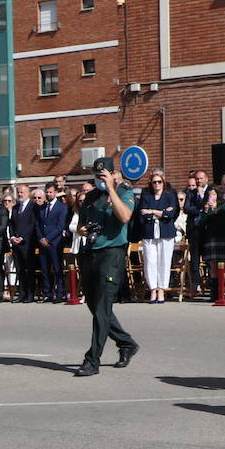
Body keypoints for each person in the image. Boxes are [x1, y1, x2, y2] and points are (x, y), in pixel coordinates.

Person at [73, 157, 139, 376]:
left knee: (102, 307)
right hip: (91, 253)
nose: (100, 180)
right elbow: (82, 223)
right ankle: (126, 343)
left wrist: (111, 188)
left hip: (112, 253)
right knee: (95, 306)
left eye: (104, 175)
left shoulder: (124, 191)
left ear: (113, 174)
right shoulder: (91, 197)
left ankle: (92, 360)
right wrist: (82, 230)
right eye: (97, 176)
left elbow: (125, 216)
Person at [134, 170, 179, 303]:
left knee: (164, 261)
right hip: (149, 233)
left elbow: (171, 214)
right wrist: (162, 212)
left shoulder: (170, 195)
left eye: (159, 182)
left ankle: (161, 290)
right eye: (154, 182)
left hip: (166, 232)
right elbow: (142, 213)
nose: (157, 184)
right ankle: (153, 289)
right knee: (150, 261)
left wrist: (152, 211)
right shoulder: (146, 195)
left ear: (163, 183)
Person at [36, 183, 71, 301]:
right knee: (45, 269)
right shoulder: (42, 207)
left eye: (50, 192)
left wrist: (48, 239)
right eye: (47, 192)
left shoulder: (62, 207)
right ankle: (47, 293)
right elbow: (38, 224)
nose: (48, 194)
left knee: (57, 269)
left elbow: (60, 226)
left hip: (55, 243)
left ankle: (60, 293)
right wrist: (41, 238)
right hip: (42, 243)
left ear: (55, 193)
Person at [183, 169, 212, 296]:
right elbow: (186, 208)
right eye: (197, 178)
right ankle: (195, 286)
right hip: (194, 230)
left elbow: (210, 206)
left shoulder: (211, 191)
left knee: (209, 260)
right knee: (194, 259)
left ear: (206, 179)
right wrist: (200, 208)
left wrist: (201, 204)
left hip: (207, 230)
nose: (199, 180)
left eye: (201, 178)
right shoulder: (191, 193)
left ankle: (212, 286)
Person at [200, 182, 225, 298]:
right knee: (213, 266)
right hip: (210, 238)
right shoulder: (205, 207)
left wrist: (214, 208)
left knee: (224, 265)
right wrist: (205, 211)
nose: (211, 197)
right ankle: (215, 293)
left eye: (213, 194)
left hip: (222, 237)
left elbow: (224, 218)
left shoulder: (223, 205)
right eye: (209, 195)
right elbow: (202, 223)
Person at [9, 184, 37, 302]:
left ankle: (30, 294)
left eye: (22, 192)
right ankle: (21, 294)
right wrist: (12, 237)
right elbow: (11, 224)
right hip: (16, 244)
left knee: (29, 270)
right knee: (20, 270)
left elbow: (33, 224)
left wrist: (23, 237)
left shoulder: (33, 207)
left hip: (27, 243)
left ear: (28, 193)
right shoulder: (15, 208)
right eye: (18, 192)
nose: (20, 194)